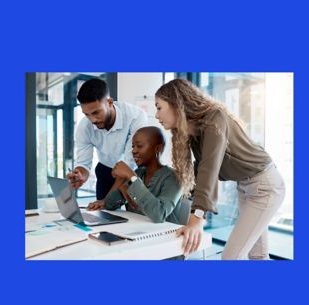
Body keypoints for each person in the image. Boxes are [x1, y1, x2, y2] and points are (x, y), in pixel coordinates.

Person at [154, 79, 285, 259]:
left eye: (159, 107)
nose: (156, 115)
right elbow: (200, 170)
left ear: (176, 104)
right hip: (247, 187)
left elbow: (209, 169)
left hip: (265, 187)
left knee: (231, 257)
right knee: (258, 257)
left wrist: (196, 219)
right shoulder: (195, 133)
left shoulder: (215, 118)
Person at [66, 78, 148, 200]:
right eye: (86, 114)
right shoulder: (84, 127)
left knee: (134, 215)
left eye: (96, 112)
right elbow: (83, 163)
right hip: (106, 169)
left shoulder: (135, 116)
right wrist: (80, 174)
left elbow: (130, 163)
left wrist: (106, 201)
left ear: (110, 102)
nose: (92, 120)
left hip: (135, 171)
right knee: (103, 214)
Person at [87, 126, 185, 225]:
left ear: (158, 148)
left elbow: (159, 214)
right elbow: (110, 204)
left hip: (163, 236)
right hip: (135, 231)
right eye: (133, 146)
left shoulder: (173, 177)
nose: (134, 151)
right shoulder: (139, 172)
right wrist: (121, 182)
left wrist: (131, 177)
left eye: (139, 146)